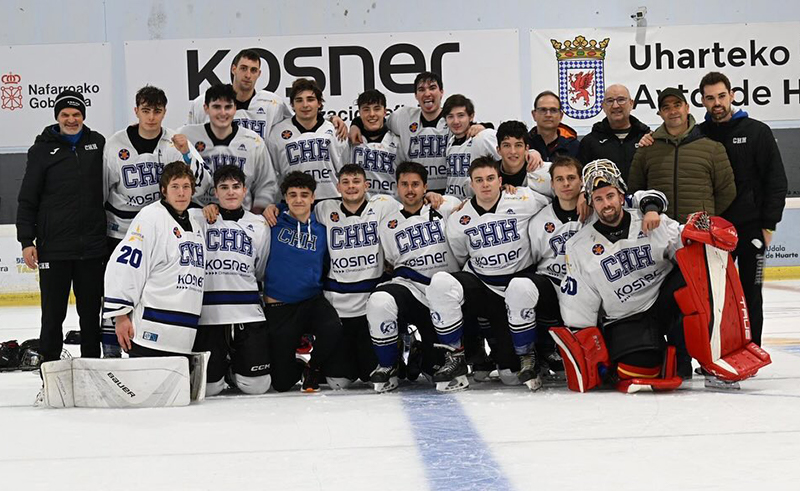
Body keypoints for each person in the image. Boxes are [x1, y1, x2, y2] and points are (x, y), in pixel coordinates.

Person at [505, 156, 667, 388]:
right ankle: (529, 355)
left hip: (598, 289)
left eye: (571, 178)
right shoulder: (539, 219)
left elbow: (638, 197)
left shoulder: (599, 205)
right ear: (552, 184)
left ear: (581, 183)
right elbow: (532, 260)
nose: (566, 184)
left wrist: (651, 208)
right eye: (560, 179)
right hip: (556, 285)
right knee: (520, 286)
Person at [559, 159, 685, 391]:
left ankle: (704, 357)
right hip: (625, 317)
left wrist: (700, 233)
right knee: (639, 368)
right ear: (591, 203)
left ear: (621, 196)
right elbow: (580, 301)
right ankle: (659, 355)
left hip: (662, 302)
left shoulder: (651, 220)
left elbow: (686, 247)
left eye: (610, 196)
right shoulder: (579, 246)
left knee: (692, 283)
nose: (606, 204)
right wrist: (589, 346)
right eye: (599, 199)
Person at [103, 85, 210, 357]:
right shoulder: (115, 144)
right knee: (122, 280)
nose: (151, 117)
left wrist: (187, 153)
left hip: (163, 227)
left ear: (164, 112)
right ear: (136, 111)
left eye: (157, 111)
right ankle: (113, 347)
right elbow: (102, 191)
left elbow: (202, 185)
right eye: (146, 110)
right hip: (121, 230)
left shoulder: (175, 142)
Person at [425, 157, 549, 391]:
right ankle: (455, 356)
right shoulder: (459, 217)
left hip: (519, 287)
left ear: (500, 181)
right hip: (484, 287)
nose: (485, 185)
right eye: (479, 180)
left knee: (511, 376)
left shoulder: (523, 199)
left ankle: (528, 354)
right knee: (441, 283)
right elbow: (461, 256)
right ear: (471, 184)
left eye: (490, 178)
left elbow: (557, 199)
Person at [696, 71, 787, 347]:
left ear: (732, 95)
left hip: (750, 229)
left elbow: (776, 181)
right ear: (702, 101)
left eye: (721, 96)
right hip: (712, 232)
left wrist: (769, 224)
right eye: (710, 98)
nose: (717, 103)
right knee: (714, 297)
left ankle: (752, 350)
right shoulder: (698, 135)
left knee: (751, 294)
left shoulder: (757, 131)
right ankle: (717, 354)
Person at [17, 90, 105, 363]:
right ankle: (51, 370)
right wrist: (27, 241)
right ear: (57, 117)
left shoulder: (98, 143)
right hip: (54, 247)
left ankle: (91, 368)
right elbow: (27, 198)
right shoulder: (41, 150)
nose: (71, 119)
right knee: (53, 315)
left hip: (92, 247)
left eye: (76, 114)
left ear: (83, 116)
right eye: (65, 114)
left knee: (90, 313)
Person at [367, 161, 458, 392]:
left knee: (434, 371)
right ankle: (389, 364)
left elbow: (475, 206)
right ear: (397, 187)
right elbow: (390, 261)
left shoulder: (446, 207)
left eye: (415, 184)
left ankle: (421, 354)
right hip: (409, 289)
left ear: (425, 187)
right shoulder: (388, 224)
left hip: (442, 295)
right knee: (379, 300)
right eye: (404, 184)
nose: (410, 189)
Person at [103, 162, 206, 357]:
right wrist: (121, 315)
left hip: (183, 335)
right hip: (150, 331)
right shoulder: (151, 217)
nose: (181, 193)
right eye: (175, 187)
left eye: (186, 187)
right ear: (163, 190)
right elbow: (125, 265)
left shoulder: (195, 223)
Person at [312, 165, 399, 387]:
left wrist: (433, 197)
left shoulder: (383, 205)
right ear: (338, 187)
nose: (351, 186)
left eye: (356, 181)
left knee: (375, 377)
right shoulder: (324, 208)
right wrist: (272, 209)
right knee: (338, 382)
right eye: (346, 182)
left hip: (370, 304)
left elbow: (413, 205)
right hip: (337, 305)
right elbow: (296, 210)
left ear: (366, 185)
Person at [190, 165, 271, 396]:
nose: (231, 192)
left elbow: (260, 268)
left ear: (245, 190)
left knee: (257, 386)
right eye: (224, 187)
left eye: (236, 186)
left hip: (247, 312)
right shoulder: (198, 219)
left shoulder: (259, 224)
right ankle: (222, 368)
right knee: (209, 389)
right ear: (215, 192)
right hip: (209, 315)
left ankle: (235, 368)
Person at [263, 171, 343, 392]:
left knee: (332, 327)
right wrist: (271, 207)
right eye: (293, 195)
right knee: (282, 383)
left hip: (311, 300)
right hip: (280, 306)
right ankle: (297, 359)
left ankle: (313, 367)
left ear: (313, 198)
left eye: (304, 195)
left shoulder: (322, 227)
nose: (298, 200)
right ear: (285, 198)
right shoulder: (272, 222)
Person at [628, 87, 736, 223]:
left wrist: (705, 216)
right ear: (660, 114)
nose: (673, 111)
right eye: (666, 108)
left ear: (687, 108)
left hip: (699, 231)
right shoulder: (647, 148)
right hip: (659, 230)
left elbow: (727, 191)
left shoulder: (713, 148)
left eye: (677, 105)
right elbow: (635, 191)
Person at [178, 84, 277, 213]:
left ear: (235, 108)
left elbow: (266, 183)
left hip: (241, 217)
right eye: (216, 107)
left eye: (228, 107)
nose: (223, 113)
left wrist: (256, 215)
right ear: (206, 108)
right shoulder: (187, 136)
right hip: (197, 216)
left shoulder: (253, 141)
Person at [268, 78, 349, 201]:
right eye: (299, 100)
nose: (305, 105)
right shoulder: (277, 133)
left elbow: (345, 171)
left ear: (319, 103)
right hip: (294, 202)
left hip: (331, 200)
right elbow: (272, 174)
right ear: (292, 105)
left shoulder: (335, 130)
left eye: (310, 99)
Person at [187, 48, 292, 140]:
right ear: (234, 69)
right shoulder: (205, 102)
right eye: (243, 68)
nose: (248, 75)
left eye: (253, 70)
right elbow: (190, 140)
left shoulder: (273, 104)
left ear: (259, 74)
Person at [578, 84, 651, 180]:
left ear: (631, 103)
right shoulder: (589, 142)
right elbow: (582, 179)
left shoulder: (647, 139)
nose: (615, 105)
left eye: (621, 100)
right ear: (603, 106)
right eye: (610, 101)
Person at [442, 94, 500, 199]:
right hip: (453, 201)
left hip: (477, 202)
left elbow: (507, 157)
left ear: (471, 116)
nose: (456, 121)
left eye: (461, 115)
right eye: (450, 116)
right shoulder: (450, 141)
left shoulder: (483, 136)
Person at [347, 89, 401, 196]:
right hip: (360, 203)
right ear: (359, 113)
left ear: (385, 112)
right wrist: (333, 118)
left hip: (392, 203)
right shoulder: (350, 141)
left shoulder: (398, 142)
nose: (371, 114)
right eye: (366, 109)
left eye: (377, 109)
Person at [526, 91, 579, 160]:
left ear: (561, 116)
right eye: (543, 110)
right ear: (534, 115)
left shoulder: (574, 147)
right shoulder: (523, 145)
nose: (548, 115)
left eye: (553, 110)